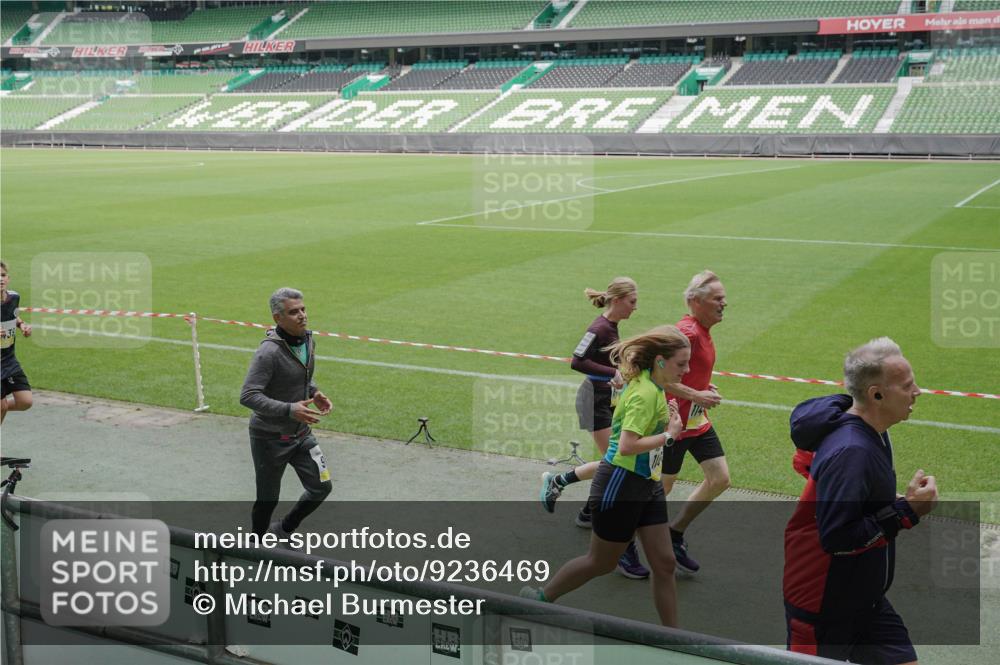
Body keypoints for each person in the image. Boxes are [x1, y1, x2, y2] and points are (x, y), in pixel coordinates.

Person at [522, 325, 689, 627]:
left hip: (647, 485)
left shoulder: (654, 383)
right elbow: (628, 446)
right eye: (681, 363)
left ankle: (675, 637)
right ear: (661, 361)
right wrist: (668, 435)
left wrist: (670, 417)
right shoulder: (644, 393)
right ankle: (539, 599)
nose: (686, 370)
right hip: (620, 483)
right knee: (600, 562)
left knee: (664, 563)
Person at [783, 337, 937, 664]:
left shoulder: (870, 431)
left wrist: (885, 500)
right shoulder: (853, 450)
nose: (917, 391)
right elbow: (838, 537)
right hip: (823, 605)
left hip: (863, 598)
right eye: (908, 385)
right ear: (876, 395)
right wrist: (906, 512)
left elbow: (826, 478)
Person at [538, 277, 648, 578]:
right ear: (617, 299)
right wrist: (614, 372)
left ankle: (586, 508)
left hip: (605, 402)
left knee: (612, 462)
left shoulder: (611, 327)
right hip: (593, 402)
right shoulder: (599, 328)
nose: (635, 308)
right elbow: (577, 361)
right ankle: (559, 482)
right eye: (632, 302)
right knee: (616, 464)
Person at [240, 288, 334, 539]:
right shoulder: (267, 353)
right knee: (268, 499)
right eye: (294, 312)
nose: (302, 315)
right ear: (277, 318)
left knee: (322, 487)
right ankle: (255, 544)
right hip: (269, 437)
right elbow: (248, 395)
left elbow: (300, 376)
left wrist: (314, 393)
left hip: (301, 434)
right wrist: (289, 409)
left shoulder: (308, 340)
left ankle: (284, 529)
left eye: (303, 309)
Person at [660, 270, 729, 574]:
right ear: (695, 301)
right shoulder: (685, 333)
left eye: (724, 298)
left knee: (719, 479)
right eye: (718, 298)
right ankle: (623, 544)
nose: (724, 303)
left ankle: (674, 534)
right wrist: (696, 395)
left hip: (696, 422)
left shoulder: (703, 331)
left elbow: (688, 372)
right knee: (661, 489)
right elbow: (658, 377)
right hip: (672, 423)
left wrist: (703, 389)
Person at [1, 261, 33, 424]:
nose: (0, 279)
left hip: (9, 359)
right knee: (1, 407)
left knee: (25, 401)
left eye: (3, 275)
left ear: (8, 278)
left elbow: (13, 315)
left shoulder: (14, 297)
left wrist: (22, 325)